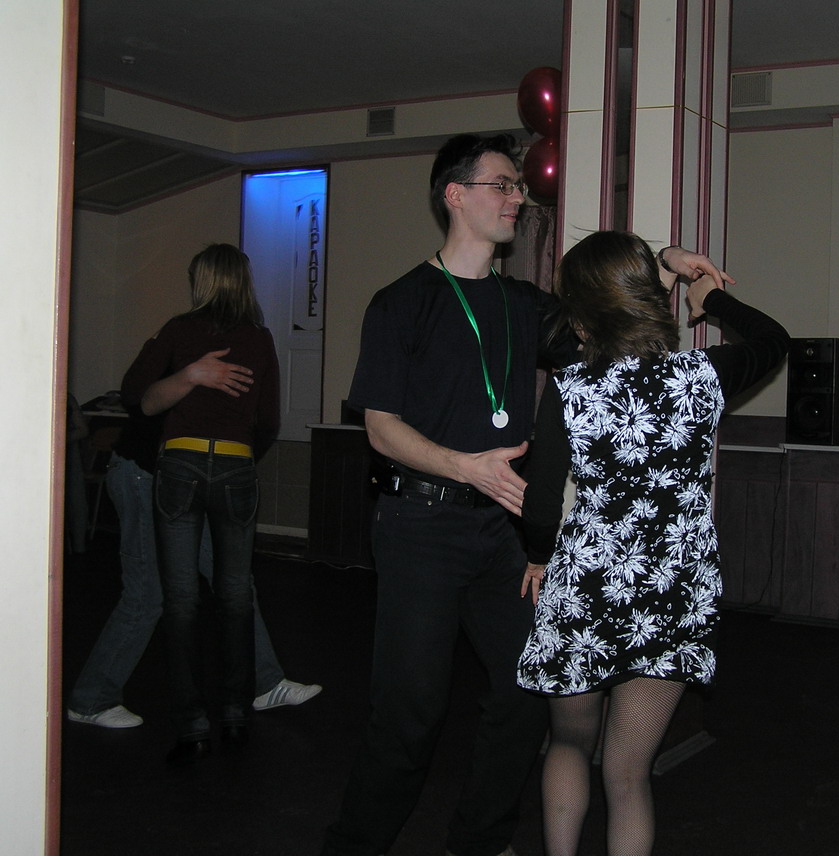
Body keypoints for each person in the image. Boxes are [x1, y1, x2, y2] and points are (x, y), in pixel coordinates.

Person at [321, 134, 726, 856]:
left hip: (503, 533)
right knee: (411, 712)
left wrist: (664, 261)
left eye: (517, 187)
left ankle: (479, 841)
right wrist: (464, 466)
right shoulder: (401, 303)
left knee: (523, 697)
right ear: (456, 195)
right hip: (421, 524)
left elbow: (611, 299)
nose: (518, 198)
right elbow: (380, 429)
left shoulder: (529, 305)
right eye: (503, 185)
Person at [515, 230, 791, 856]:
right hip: (672, 591)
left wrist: (537, 556)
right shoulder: (703, 376)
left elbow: (541, 500)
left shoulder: (571, 387)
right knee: (629, 772)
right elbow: (775, 340)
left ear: (581, 312)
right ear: (648, 295)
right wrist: (709, 299)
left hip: (587, 587)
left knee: (568, 745)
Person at [119, 243, 283, 765]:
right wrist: (240, 453)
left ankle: (191, 724)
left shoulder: (178, 330)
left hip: (180, 464)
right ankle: (234, 714)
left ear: (203, 281)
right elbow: (269, 421)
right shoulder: (259, 338)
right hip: (235, 464)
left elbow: (135, 395)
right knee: (235, 596)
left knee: (182, 600)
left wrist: (187, 376)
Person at [66, 403, 321, 731]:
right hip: (144, 475)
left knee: (234, 583)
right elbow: (148, 405)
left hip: (182, 479)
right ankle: (90, 700)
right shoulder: (183, 376)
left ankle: (266, 684)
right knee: (145, 597)